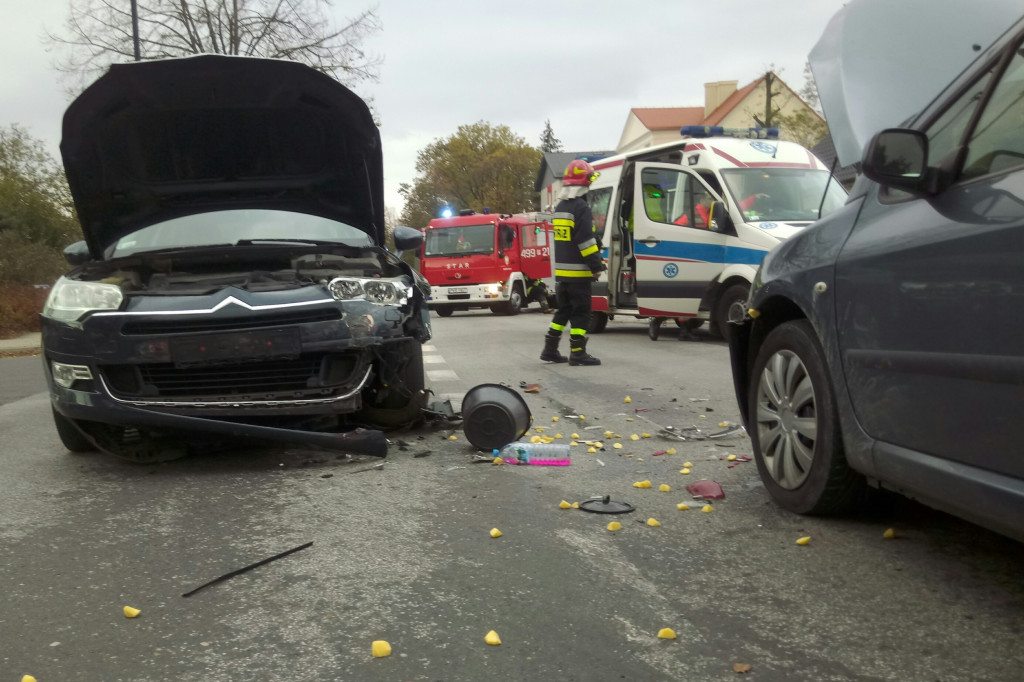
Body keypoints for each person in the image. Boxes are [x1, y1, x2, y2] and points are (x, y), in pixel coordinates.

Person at [540, 159, 605, 366]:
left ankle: (549, 349)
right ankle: (578, 353)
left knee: (563, 311)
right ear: (583, 184)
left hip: (562, 274)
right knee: (581, 313)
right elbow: (585, 241)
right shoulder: (581, 207)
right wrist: (596, 266)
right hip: (579, 274)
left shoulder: (561, 207)